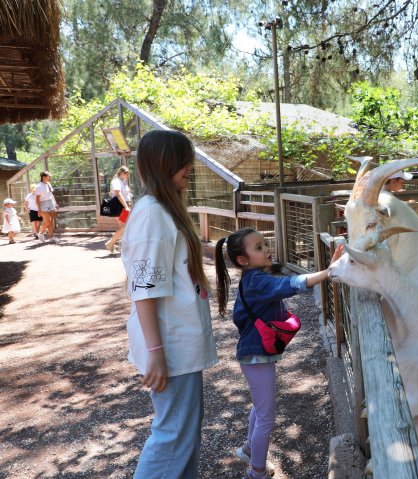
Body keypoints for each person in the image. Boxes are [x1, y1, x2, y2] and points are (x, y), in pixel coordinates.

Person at [120, 130, 217, 478]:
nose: (189, 167)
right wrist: (156, 350)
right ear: (161, 164)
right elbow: (143, 289)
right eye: (180, 160)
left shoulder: (164, 209)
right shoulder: (153, 214)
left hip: (178, 341)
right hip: (170, 345)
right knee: (173, 435)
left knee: (184, 434)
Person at [214, 228, 343, 479]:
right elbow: (290, 284)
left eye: (265, 244)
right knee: (266, 418)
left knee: (260, 408)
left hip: (254, 355)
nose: (267, 250)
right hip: (255, 356)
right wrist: (328, 273)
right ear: (243, 260)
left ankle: (249, 450)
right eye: (259, 248)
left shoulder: (254, 278)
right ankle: (257, 472)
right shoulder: (257, 281)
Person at [105, 165, 133, 253]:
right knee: (123, 227)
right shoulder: (116, 181)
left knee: (124, 226)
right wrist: (126, 207)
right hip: (120, 207)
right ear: (121, 173)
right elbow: (119, 194)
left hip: (123, 206)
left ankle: (116, 244)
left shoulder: (122, 181)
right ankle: (111, 243)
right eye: (126, 174)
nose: (127, 176)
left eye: (128, 174)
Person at [35, 171, 59, 244]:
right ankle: (41, 233)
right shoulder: (38, 186)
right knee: (47, 221)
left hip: (50, 202)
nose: (50, 178)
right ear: (44, 177)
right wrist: (39, 210)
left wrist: (55, 203)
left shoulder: (48, 184)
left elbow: (51, 194)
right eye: (49, 176)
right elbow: (37, 199)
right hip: (43, 203)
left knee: (51, 221)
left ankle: (51, 238)